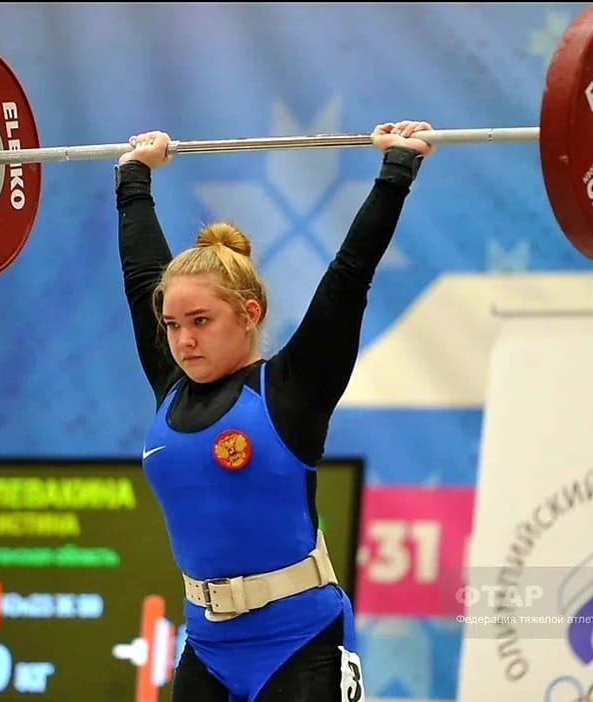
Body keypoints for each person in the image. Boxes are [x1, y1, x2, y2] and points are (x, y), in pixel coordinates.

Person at [114, 120, 435, 702]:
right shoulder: (171, 384)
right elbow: (141, 278)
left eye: (201, 321)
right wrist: (133, 177)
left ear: (250, 313)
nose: (183, 340)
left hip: (300, 641)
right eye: (173, 325)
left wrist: (396, 169)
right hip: (207, 645)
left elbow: (349, 276)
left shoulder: (291, 388)